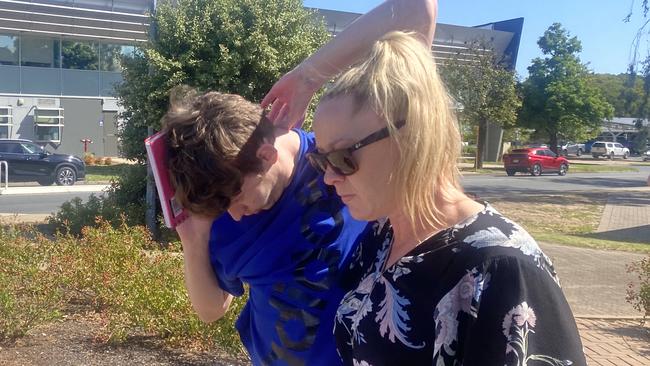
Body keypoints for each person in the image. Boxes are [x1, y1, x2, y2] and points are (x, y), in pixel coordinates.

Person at [264, 16, 586, 366]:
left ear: (410, 138)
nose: (328, 177)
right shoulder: (381, 236)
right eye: (320, 159)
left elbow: (417, 7)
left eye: (341, 157)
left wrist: (307, 76)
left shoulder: (501, 268)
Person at [164, 1, 438, 365]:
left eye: (238, 197)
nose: (236, 214)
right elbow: (212, 308)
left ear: (265, 156)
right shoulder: (223, 214)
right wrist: (195, 241)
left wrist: (310, 75)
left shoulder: (345, 162)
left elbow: (416, 9)